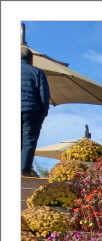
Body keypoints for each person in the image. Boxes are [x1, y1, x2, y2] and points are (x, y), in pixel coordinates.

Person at [21, 46, 50, 178]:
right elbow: (44, 94)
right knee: (29, 141)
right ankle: (23, 171)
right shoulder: (37, 72)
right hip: (32, 110)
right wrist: (44, 113)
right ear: (31, 60)